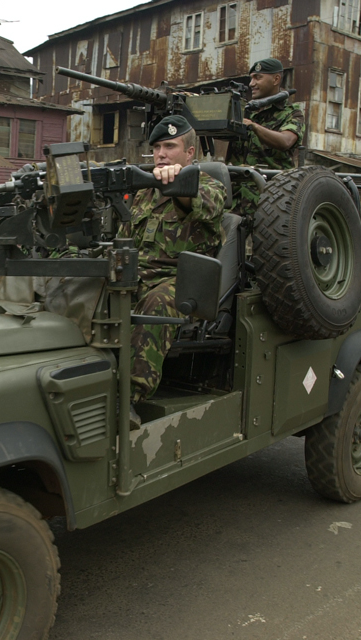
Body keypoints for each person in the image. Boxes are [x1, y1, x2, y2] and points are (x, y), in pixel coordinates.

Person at [124, 116, 225, 428]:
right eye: (156, 147)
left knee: (155, 306)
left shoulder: (208, 185)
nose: (161, 154)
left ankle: (128, 398)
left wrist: (178, 185)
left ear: (190, 152)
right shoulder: (143, 192)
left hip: (181, 281)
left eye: (170, 146)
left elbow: (205, 205)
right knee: (87, 289)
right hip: (137, 274)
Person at [226, 58, 305, 219]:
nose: (251, 83)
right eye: (251, 78)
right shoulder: (245, 110)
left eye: (258, 77)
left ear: (276, 79)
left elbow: (285, 141)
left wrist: (253, 126)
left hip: (271, 201)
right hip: (235, 199)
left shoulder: (291, 113)